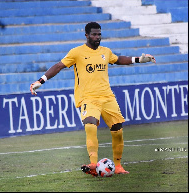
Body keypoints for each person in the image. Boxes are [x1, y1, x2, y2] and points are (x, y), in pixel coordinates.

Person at [30, 22, 156, 177]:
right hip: (88, 98)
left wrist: (140, 60)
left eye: (99, 34)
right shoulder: (77, 52)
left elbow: (118, 60)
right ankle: (93, 164)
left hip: (108, 97)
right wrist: (40, 81)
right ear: (87, 35)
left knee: (117, 131)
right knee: (90, 124)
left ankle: (118, 166)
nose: (97, 37)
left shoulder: (106, 51)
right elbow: (58, 66)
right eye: (94, 34)